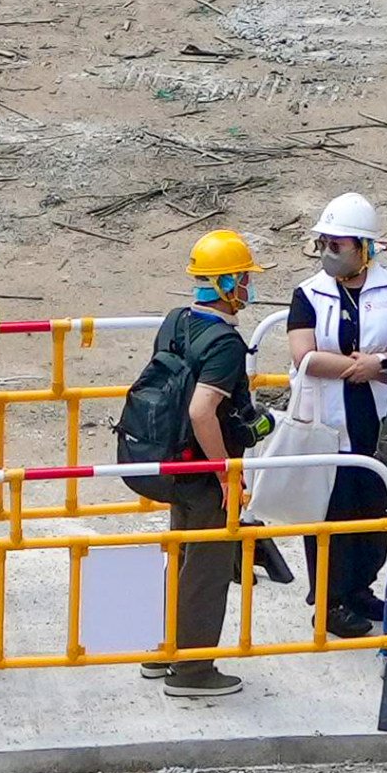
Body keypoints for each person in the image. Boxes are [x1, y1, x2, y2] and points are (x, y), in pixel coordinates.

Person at [119, 231, 264, 699]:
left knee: (179, 555)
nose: (247, 286)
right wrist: (225, 472)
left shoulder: (175, 321)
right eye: (243, 278)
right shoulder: (225, 343)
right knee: (207, 565)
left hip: (168, 462)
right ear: (226, 283)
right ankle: (194, 670)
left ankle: (165, 649)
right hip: (204, 473)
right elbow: (202, 410)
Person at [288, 193, 387, 637]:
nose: (327, 252)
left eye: (336, 245)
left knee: (376, 507)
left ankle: (360, 587)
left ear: (364, 247)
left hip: (381, 422)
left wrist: (379, 366)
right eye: (323, 243)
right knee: (330, 514)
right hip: (328, 424)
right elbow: (305, 356)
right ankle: (329, 600)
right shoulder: (308, 294)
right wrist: (360, 367)